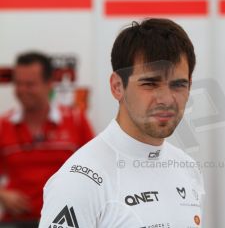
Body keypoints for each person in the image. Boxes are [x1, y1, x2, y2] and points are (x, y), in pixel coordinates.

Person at [39, 18, 205, 227]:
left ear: (190, 86)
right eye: (150, 84)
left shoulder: (188, 168)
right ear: (117, 86)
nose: (166, 99)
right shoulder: (79, 181)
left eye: (178, 85)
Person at [0, 52, 94, 223]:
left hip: (66, 220)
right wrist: (3, 194)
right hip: (15, 221)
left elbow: (98, 169)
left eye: (30, 84)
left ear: (49, 84)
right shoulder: (3, 124)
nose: (22, 90)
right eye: (18, 84)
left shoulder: (76, 120)